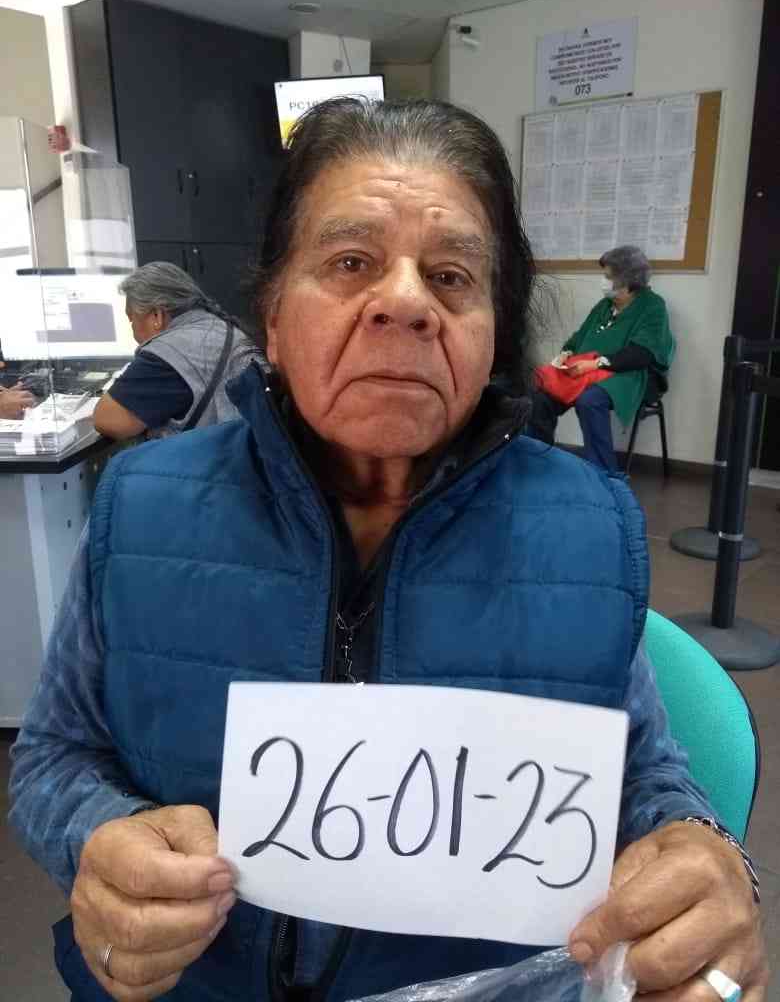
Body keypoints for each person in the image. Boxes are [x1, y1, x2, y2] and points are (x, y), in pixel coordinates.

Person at [8, 99, 767, 1002]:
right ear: (273, 318)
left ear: (492, 335)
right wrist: (94, 836)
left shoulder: (587, 529)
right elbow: (52, 756)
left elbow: (645, 772)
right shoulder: (140, 507)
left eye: (451, 277)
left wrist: (702, 848)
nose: (406, 301)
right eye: (350, 263)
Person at [530, 246, 675, 471]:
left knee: (589, 400)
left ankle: (604, 473)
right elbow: (578, 338)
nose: (603, 281)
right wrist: (567, 353)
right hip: (588, 370)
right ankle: (538, 462)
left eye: (608, 277)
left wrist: (595, 363)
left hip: (634, 374)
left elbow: (642, 354)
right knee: (540, 395)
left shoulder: (653, 305)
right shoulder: (604, 305)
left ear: (627, 281)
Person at [93, 262, 258, 440]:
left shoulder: (168, 352)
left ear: (156, 316)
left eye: (131, 319)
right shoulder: (226, 328)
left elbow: (108, 420)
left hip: (211, 455)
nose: (132, 329)